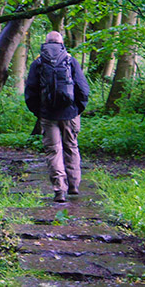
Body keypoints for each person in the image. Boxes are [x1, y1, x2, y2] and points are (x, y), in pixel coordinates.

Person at [24, 31, 90, 203]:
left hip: (48, 115)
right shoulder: (70, 60)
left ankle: (60, 189)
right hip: (70, 113)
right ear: (61, 43)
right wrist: (77, 109)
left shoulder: (38, 63)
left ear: (46, 43)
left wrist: (40, 112)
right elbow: (83, 89)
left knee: (53, 151)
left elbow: (30, 93)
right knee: (71, 146)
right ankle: (74, 185)